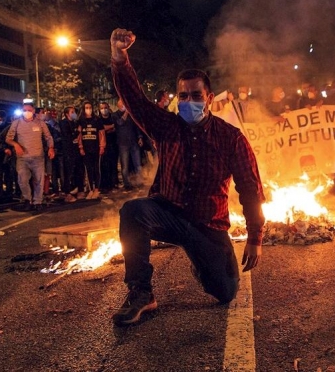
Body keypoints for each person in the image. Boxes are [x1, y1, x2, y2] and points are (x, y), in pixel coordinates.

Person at [109, 28, 265, 326]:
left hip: (208, 226)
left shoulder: (230, 138)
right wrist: (120, 58)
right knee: (133, 212)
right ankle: (141, 293)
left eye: (195, 95)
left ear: (209, 98)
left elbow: (250, 188)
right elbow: (135, 100)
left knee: (225, 292)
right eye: (183, 95)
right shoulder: (167, 126)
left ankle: (204, 264)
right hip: (169, 214)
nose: (188, 101)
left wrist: (255, 237)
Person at [5, 102, 55, 210]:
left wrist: (51, 148)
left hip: (38, 157)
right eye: (24, 110)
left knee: (39, 180)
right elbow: (8, 138)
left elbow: (48, 137)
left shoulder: (40, 123)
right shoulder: (16, 123)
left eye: (29, 110)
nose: (26, 112)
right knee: (22, 180)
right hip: (22, 158)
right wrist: (15, 145)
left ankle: (38, 202)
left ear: (33, 111)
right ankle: (28, 199)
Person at [77, 101, 106, 199]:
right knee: (88, 169)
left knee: (96, 169)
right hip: (86, 149)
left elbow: (102, 134)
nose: (88, 109)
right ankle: (90, 190)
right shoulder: (81, 121)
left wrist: (102, 146)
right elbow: (79, 135)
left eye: (90, 107)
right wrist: (81, 147)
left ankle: (97, 189)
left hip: (96, 148)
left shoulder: (97, 120)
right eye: (86, 107)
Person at [114, 99, 143, 191]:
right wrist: (126, 113)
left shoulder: (132, 115)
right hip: (123, 144)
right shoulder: (115, 115)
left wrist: (140, 137)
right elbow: (120, 123)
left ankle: (140, 181)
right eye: (122, 104)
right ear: (118, 105)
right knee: (125, 165)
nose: (124, 105)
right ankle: (127, 184)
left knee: (137, 164)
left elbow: (136, 126)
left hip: (133, 142)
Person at [59, 106, 81, 202]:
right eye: (72, 112)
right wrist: (77, 132)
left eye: (74, 112)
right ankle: (66, 191)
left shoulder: (75, 123)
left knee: (76, 169)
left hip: (75, 149)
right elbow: (68, 136)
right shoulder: (63, 123)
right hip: (67, 150)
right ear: (67, 114)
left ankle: (75, 187)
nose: (74, 113)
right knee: (67, 171)